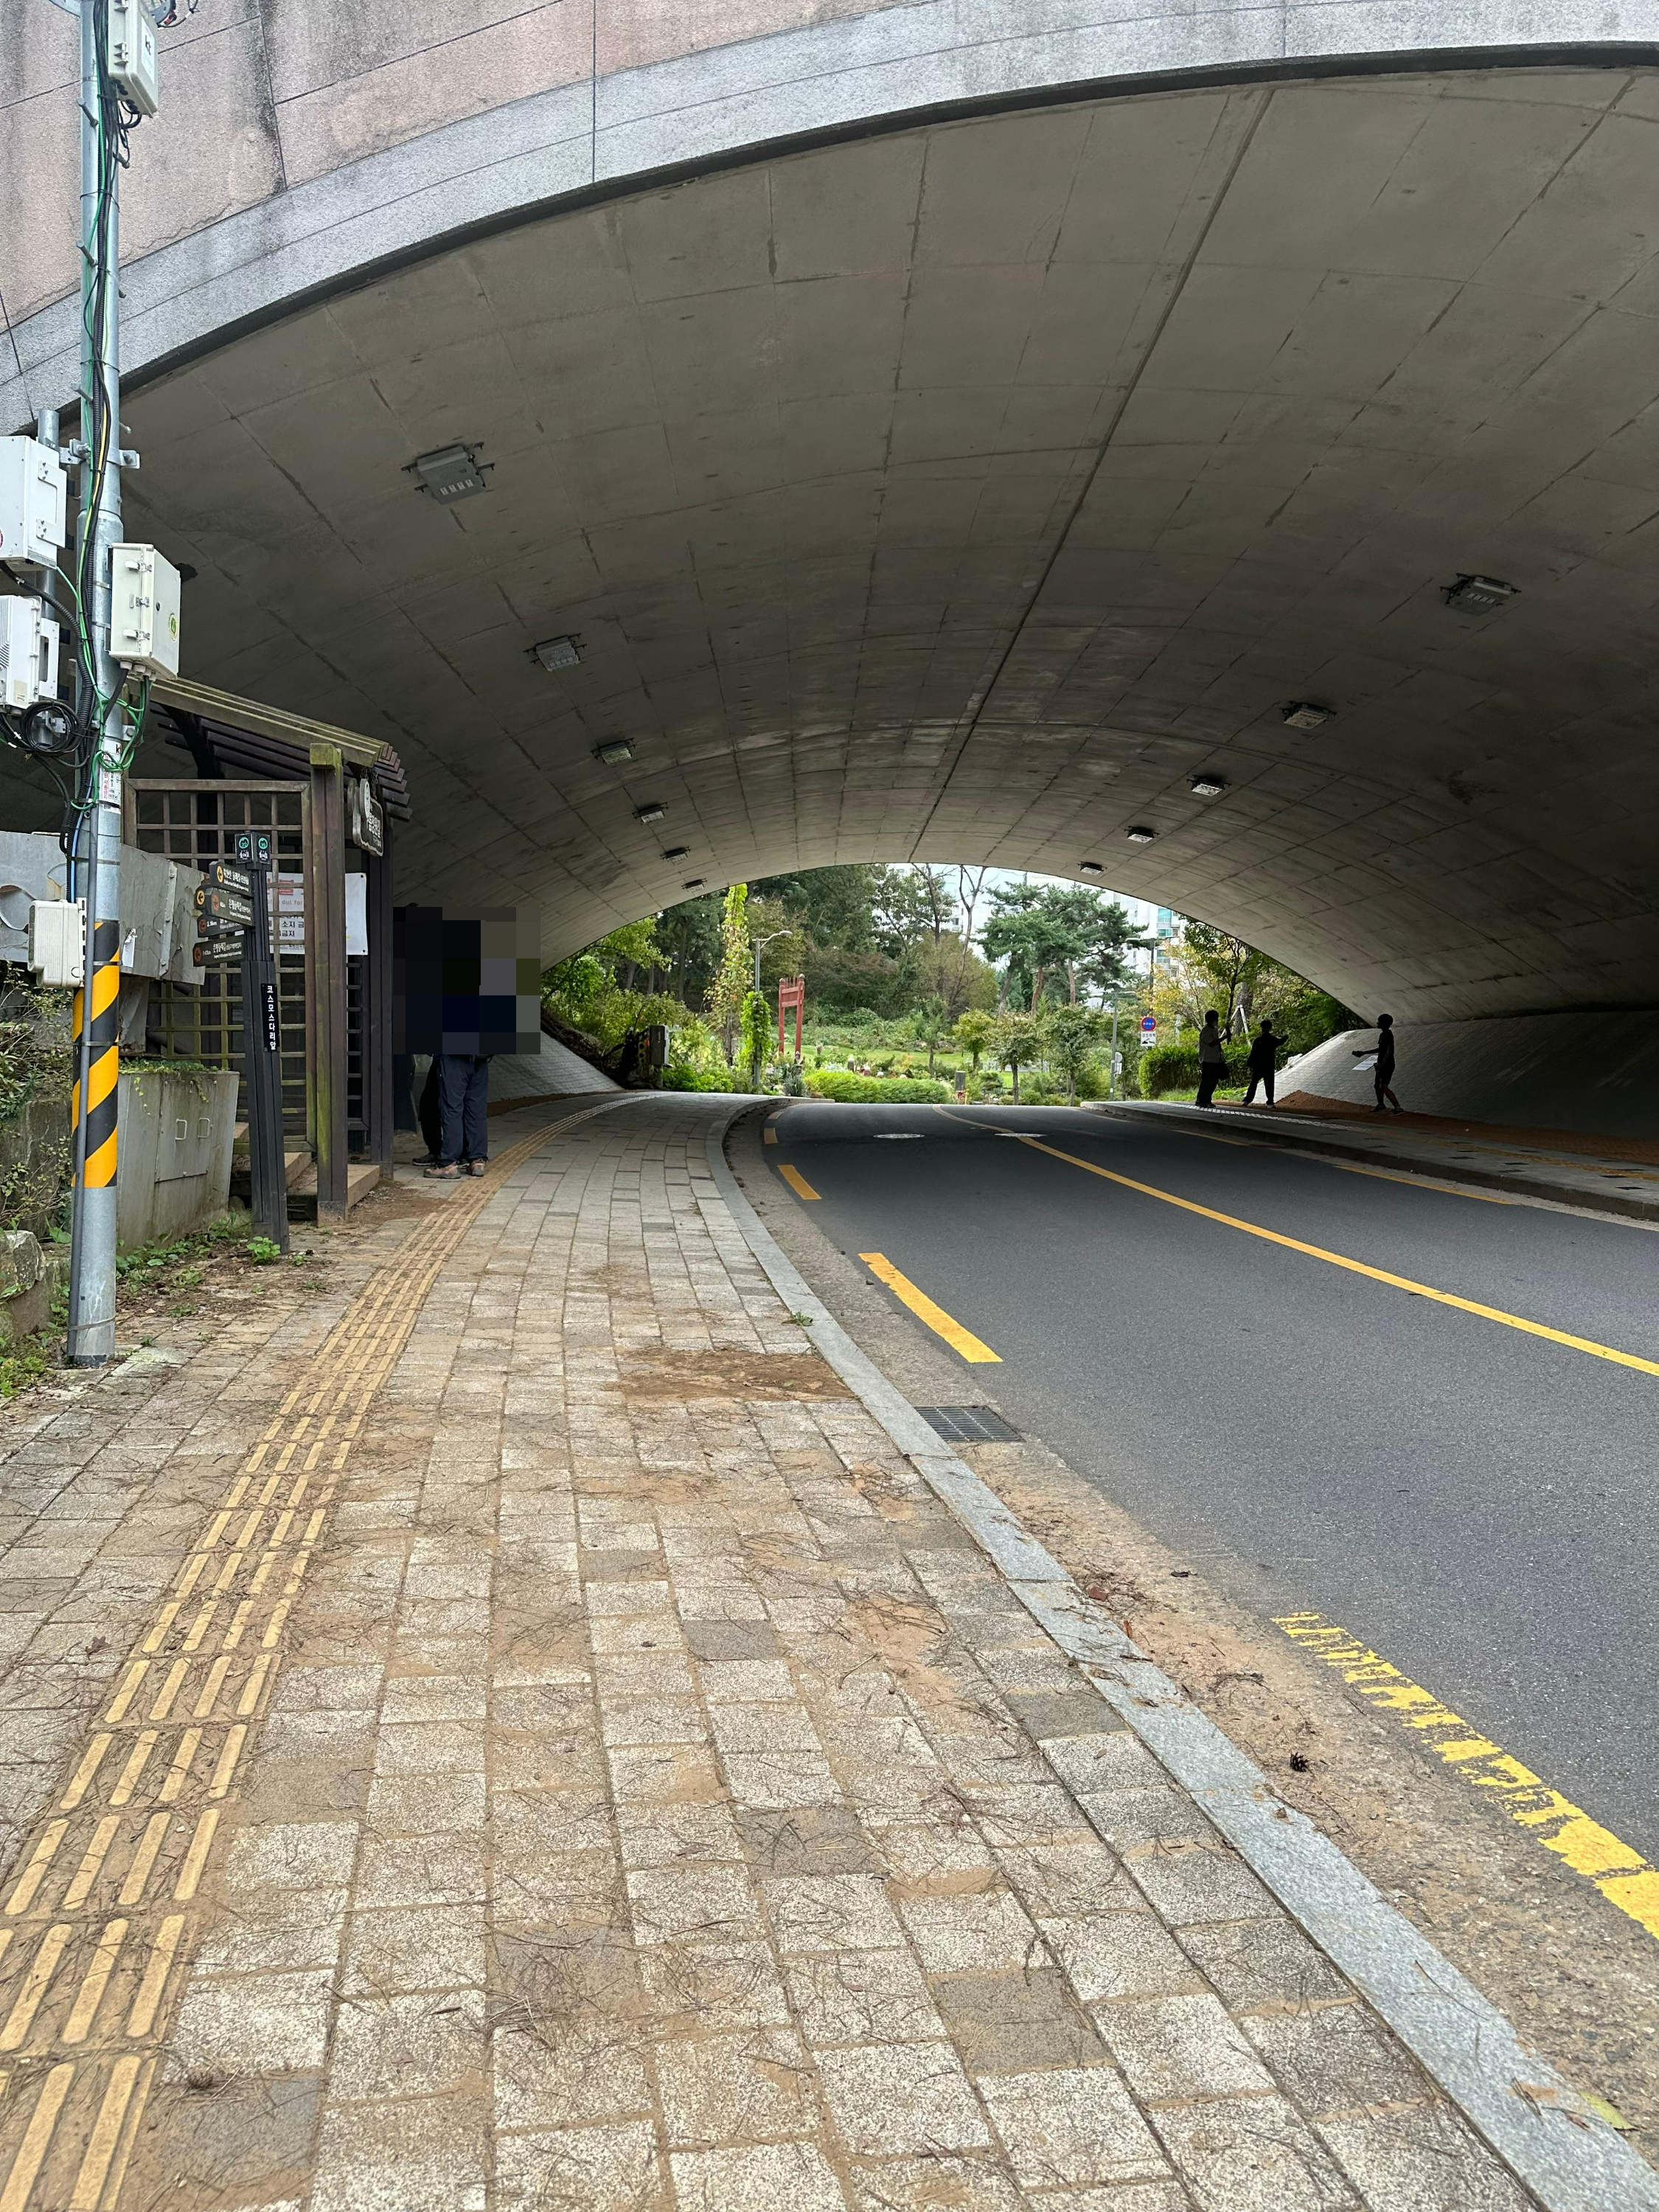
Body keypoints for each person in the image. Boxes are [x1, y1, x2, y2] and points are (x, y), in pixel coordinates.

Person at [426, 1052, 490, 1178]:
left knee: (452, 1108)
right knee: (476, 1110)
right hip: (481, 1057)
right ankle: (477, 1161)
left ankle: (449, 1164)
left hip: (454, 1056)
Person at [1366, 1013, 1401, 1113]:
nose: (1377, 1023)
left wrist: (1382, 1064)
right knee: (1377, 1085)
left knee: (1383, 1086)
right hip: (1381, 1064)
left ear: (1385, 1024)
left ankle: (1398, 1108)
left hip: (1387, 1065)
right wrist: (1364, 1053)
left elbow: (1389, 1050)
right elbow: (1381, 1049)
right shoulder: (1383, 1035)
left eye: (1379, 1022)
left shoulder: (1388, 1034)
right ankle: (1381, 1104)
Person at [1242, 1018, 1278, 1107]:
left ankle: (1268, 1101)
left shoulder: (1261, 1040)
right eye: (1263, 1027)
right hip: (1264, 1065)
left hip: (1263, 1065)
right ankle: (1268, 1101)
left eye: (1265, 1027)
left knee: (1262, 1083)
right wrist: (1250, 1062)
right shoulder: (1268, 1040)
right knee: (1260, 1083)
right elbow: (1253, 1053)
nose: (1263, 1029)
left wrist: (1249, 1063)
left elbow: (1253, 1053)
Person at [1194, 1009, 1225, 1108]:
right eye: (1216, 1018)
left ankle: (1207, 1100)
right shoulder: (1206, 1030)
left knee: (1213, 1081)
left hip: (1215, 1059)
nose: (1217, 1020)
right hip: (1207, 1059)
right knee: (1206, 1081)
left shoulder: (1213, 1029)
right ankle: (1201, 1100)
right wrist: (1223, 1038)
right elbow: (1212, 1043)